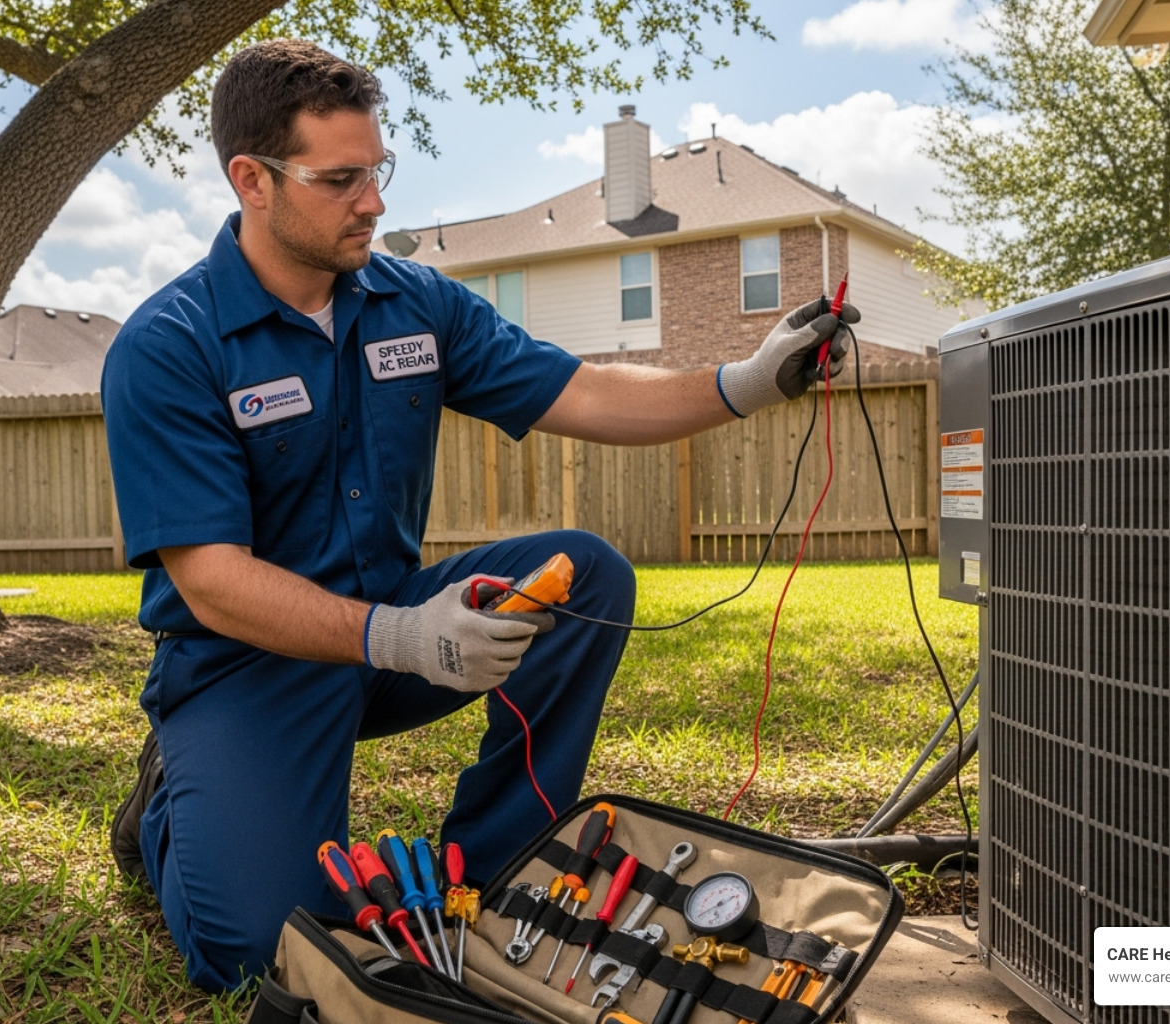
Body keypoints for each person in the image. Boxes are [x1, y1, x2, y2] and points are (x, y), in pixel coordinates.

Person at [101, 38, 859, 994]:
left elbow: (582, 391)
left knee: (586, 576)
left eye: (377, 170)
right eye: (339, 180)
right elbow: (211, 582)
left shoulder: (413, 304)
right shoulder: (170, 345)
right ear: (251, 179)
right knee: (264, 956)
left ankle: (501, 867)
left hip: (400, 631)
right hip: (250, 661)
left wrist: (743, 382)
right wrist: (400, 635)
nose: (373, 203)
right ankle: (169, 802)